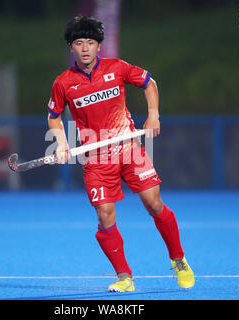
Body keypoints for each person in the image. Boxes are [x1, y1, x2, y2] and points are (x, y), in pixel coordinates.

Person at [46, 15, 194, 292]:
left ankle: (178, 259)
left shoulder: (117, 68)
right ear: (71, 48)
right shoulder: (63, 83)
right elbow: (54, 116)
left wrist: (153, 115)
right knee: (104, 216)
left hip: (129, 150)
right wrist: (62, 143)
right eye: (79, 43)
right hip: (96, 158)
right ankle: (124, 276)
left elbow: (150, 83)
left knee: (154, 204)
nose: (85, 48)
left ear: (99, 45)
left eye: (90, 42)